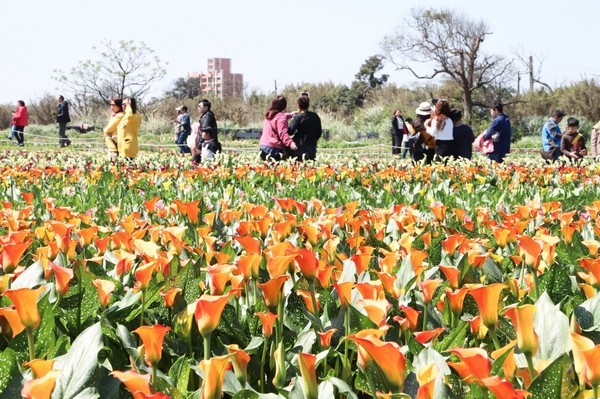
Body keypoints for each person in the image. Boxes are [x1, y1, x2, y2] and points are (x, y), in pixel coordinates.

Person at [259, 94, 298, 161]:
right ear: (284, 106)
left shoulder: (269, 115)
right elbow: (282, 133)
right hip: (272, 149)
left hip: (262, 146)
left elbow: (279, 117)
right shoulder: (281, 118)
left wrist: (291, 114)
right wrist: (291, 143)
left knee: (267, 170)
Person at [288, 95, 322, 161]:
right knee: (310, 168)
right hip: (312, 146)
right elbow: (319, 132)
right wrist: (313, 140)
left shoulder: (298, 117)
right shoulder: (315, 116)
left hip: (299, 147)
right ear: (308, 104)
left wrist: (291, 120)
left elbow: (290, 131)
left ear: (298, 105)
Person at [193, 99, 218, 163]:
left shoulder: (207, 117)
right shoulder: (206, 115)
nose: (198, 108)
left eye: (200, 106)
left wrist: (199, 146)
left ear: (206, 107)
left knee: (198, 164)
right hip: (206, 144)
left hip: (206, 145)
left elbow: (205, 132)